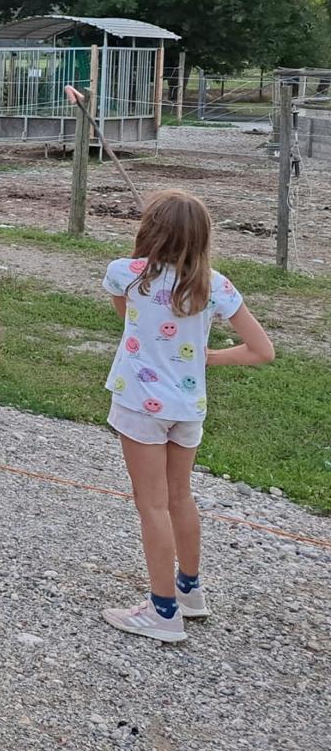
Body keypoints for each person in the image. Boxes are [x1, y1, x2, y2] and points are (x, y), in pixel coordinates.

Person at [100, 190, 274, 644]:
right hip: (189, 407)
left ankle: (162, 612)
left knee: (152, 505)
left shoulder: (125, 273)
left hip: (140, 405)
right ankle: (189, 591)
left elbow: (126, 316)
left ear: (149, 230)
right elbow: (262, 350)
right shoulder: (216, 285)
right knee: (180, 497)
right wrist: (206, 356)